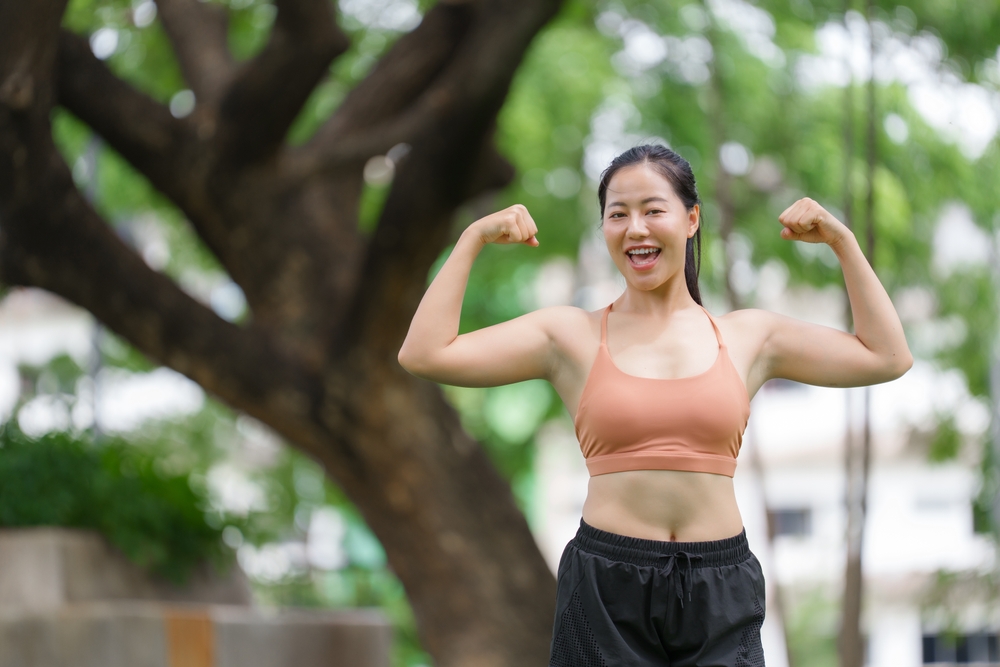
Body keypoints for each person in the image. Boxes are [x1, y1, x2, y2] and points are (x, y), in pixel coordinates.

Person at [397, 144, 912, 666]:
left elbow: (887, 356)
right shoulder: (570, 335)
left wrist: (842, 242)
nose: (635, 229)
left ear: (691, 219)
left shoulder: (749, 335)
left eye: (652, 210)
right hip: (606, 583)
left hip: (721, 582)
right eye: (617, 214)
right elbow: (425, 353)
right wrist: (471, 239)